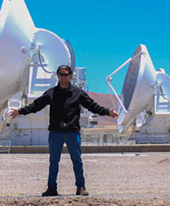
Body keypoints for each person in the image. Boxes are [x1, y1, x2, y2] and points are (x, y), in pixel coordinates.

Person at [10, 64, 119, 197]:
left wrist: (107, 112)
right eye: (61, 75)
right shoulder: (51, 93)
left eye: (66, 75)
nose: (63, 77)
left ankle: (80, 187)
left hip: (72, 132)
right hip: (56, 132)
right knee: (54, 161)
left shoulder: (78, 93)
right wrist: (20, 111)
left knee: (77, 160)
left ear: (70, 76)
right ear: (58, 76)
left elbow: (92, 106)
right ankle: (51, 188)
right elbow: (36, 105)